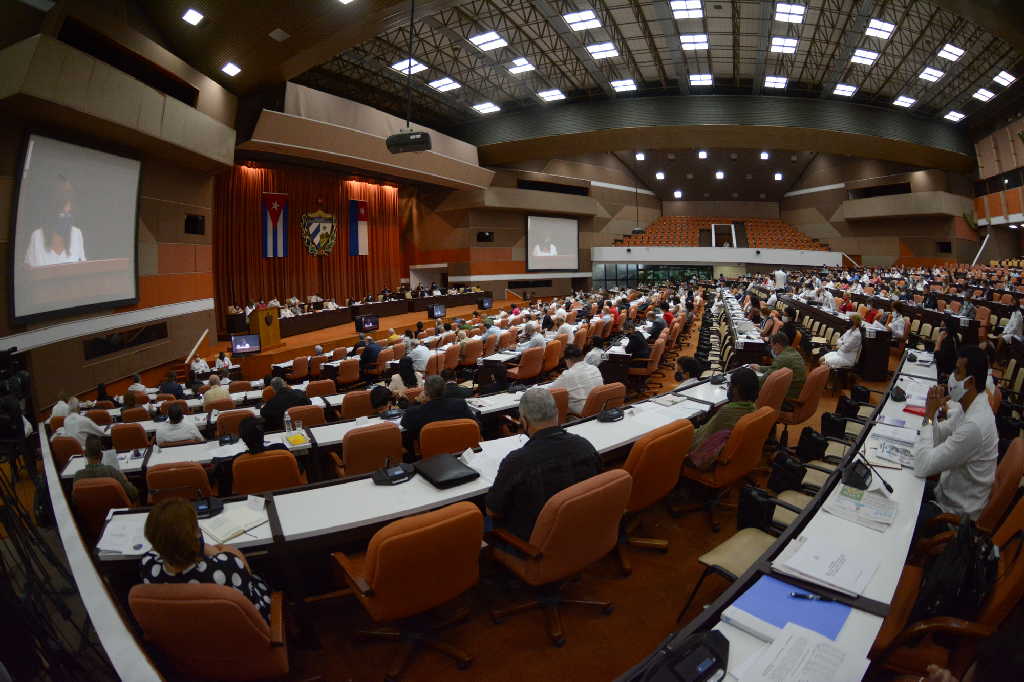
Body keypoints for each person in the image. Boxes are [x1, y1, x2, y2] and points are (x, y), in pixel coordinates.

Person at [486, 388, 600, 542]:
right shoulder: (584, 445)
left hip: (534, 546)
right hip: (580, 530)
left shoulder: (516, 462)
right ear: (557, 414)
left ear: (524, 421)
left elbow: (493, 511)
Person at [139, 497, 272, 621]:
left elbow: (157, 549)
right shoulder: (226, 567)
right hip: (246, 627)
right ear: (195, 538)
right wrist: (212, 550)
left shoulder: (148, 566)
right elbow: (245, 573)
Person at [912, 346, 998, 539]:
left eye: (957, 372)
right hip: (943, 493)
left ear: (970, 382)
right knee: (902, 486)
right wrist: (932, 414)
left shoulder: (975, 425)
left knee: (902, 515)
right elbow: (939, 436)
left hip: (952, 518)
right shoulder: (969, 406)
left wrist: (928, 415)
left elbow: (922, 466)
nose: (952, 377)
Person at [686, 367, 759, 470]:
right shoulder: (753, 407)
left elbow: (703, 437)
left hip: (709, 460)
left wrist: (685, 435)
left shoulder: (728, 411)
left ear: (736, 389)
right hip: (737, 457)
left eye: (730, 385)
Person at [23, 173, 87, 267]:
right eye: (63, 200)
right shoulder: (37, 237)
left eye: (70, 198)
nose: (68, 209)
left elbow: (83, 273)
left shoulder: (77, 234)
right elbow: (29, 274)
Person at [400, 375, 477, 446]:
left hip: (431, 454)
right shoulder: (460, 404)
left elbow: (404, 423)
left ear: (425, 392)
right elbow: (477, 425)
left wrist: (417, 401)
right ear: (444, 389)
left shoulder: (414, 412)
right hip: (460, 448)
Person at [74, 435, 138, 502]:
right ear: (101, 455)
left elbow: (75, 502)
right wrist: (124, 479)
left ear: (85, 454)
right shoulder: (112, 472)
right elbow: (134, 494)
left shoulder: (78, 477)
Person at [752, 332, 807, 405]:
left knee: (751, 388)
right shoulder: (792, 352)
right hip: (795, 390)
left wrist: (749, 377)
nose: (772, 349)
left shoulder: (782, 358)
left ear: (777, 345)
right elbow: (775, 368)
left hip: (788, 397)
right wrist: (759, 368)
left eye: (772, 346)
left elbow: (763, 381)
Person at [548, 346, 604, 416]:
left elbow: (549, 390)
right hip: (600, 407)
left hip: (583, 412)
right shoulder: (594, 368)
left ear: (567, 360)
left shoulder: (568, 374)